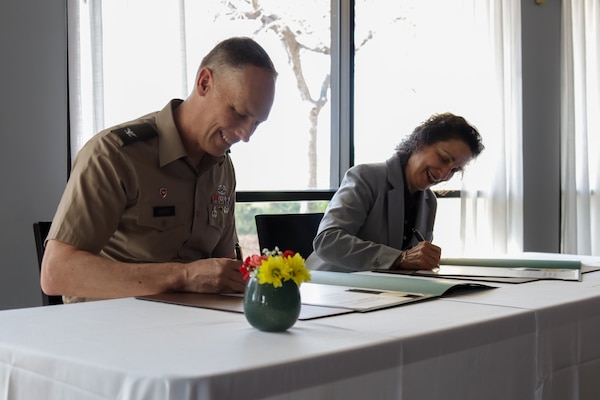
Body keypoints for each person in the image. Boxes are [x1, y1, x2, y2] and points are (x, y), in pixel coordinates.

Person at [41, 37, 278, 303]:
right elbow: (56, 273)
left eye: (256, 123)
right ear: (204, 83)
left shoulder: (222, 166)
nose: (245, 135)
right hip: (108, 330)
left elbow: (221, 268)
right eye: (237, 112)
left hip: (194, 328)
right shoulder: (114, 154)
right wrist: (184, 276)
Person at [306, 112, 484, 272]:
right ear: (421, 142)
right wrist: (400, 258)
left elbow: (410, 262)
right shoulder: (366, 177)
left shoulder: (429, 201)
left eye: (454, 170)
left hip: (380, 295)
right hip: (330, 288)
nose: (445, 174)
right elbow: (327, 241)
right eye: (444, 159)